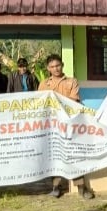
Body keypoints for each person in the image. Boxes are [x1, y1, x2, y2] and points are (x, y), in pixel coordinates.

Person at [38, 54, 94, 200]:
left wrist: (54, 99)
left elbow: (74, 100)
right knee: (55, 156)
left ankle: (81, 187)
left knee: (73, 154)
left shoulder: (71, 81)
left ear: (62, 65)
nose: (55, 69)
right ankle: (56, 187)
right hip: (52, 126)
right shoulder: (43, 84)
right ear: (48, 68)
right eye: (52, 67)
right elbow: (40, 103)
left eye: (57, 65)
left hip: (69, 124)